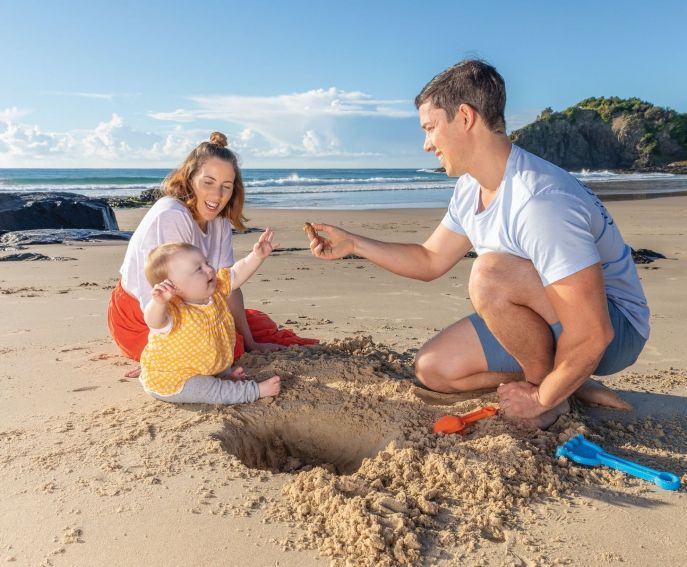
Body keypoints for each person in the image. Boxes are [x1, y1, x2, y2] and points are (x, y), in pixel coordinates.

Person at [305, 60, 649, 428]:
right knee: (435, 368)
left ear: (465, 117)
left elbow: (594, 332)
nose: (426, 144)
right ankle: (568, 381)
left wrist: (540, 397)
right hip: (554, 314)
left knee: (489, 273)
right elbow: (430, 259)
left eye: (430, 128)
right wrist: (354, 244)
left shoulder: (539, 200)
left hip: (615, 327)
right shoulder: (471, 186)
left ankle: (549, 391)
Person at [108, 132, 317, 375]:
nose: (217, 196)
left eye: (225, 187)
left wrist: (252, 343)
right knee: (219, 349)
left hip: (194, 303)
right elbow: (156, 294)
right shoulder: (171, 216)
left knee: (256, 327)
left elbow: (227, 284)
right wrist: (157, 355)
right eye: (208, 183)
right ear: (190, 178)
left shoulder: (219, 221)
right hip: (147, 312)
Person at [139, 239, 281, 404]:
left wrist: (256, 256)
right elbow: (153, 322)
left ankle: (221, 378)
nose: (209, 269)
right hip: (175, 378)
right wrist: (158, 303)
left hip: (204, 366)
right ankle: (254, 391)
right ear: (174, 287)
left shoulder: (215, 290)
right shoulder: (174, 311)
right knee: (208, 389)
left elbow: (236, 273)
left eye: (206, 262)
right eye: (198, 269)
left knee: (217, 373)